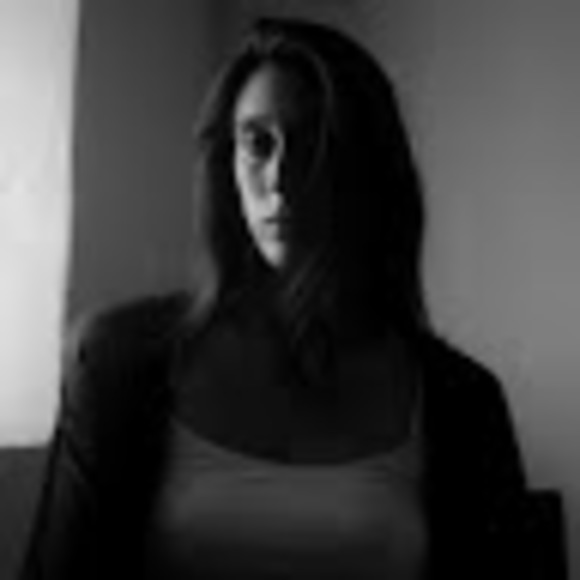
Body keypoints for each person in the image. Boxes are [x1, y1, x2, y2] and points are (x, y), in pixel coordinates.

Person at [20, 17, 529, 580]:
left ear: (369, 168)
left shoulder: (462, 402)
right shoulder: (116, 362)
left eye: (315, 144)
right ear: (226, 162)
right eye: (258, 143)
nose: (281, 179)